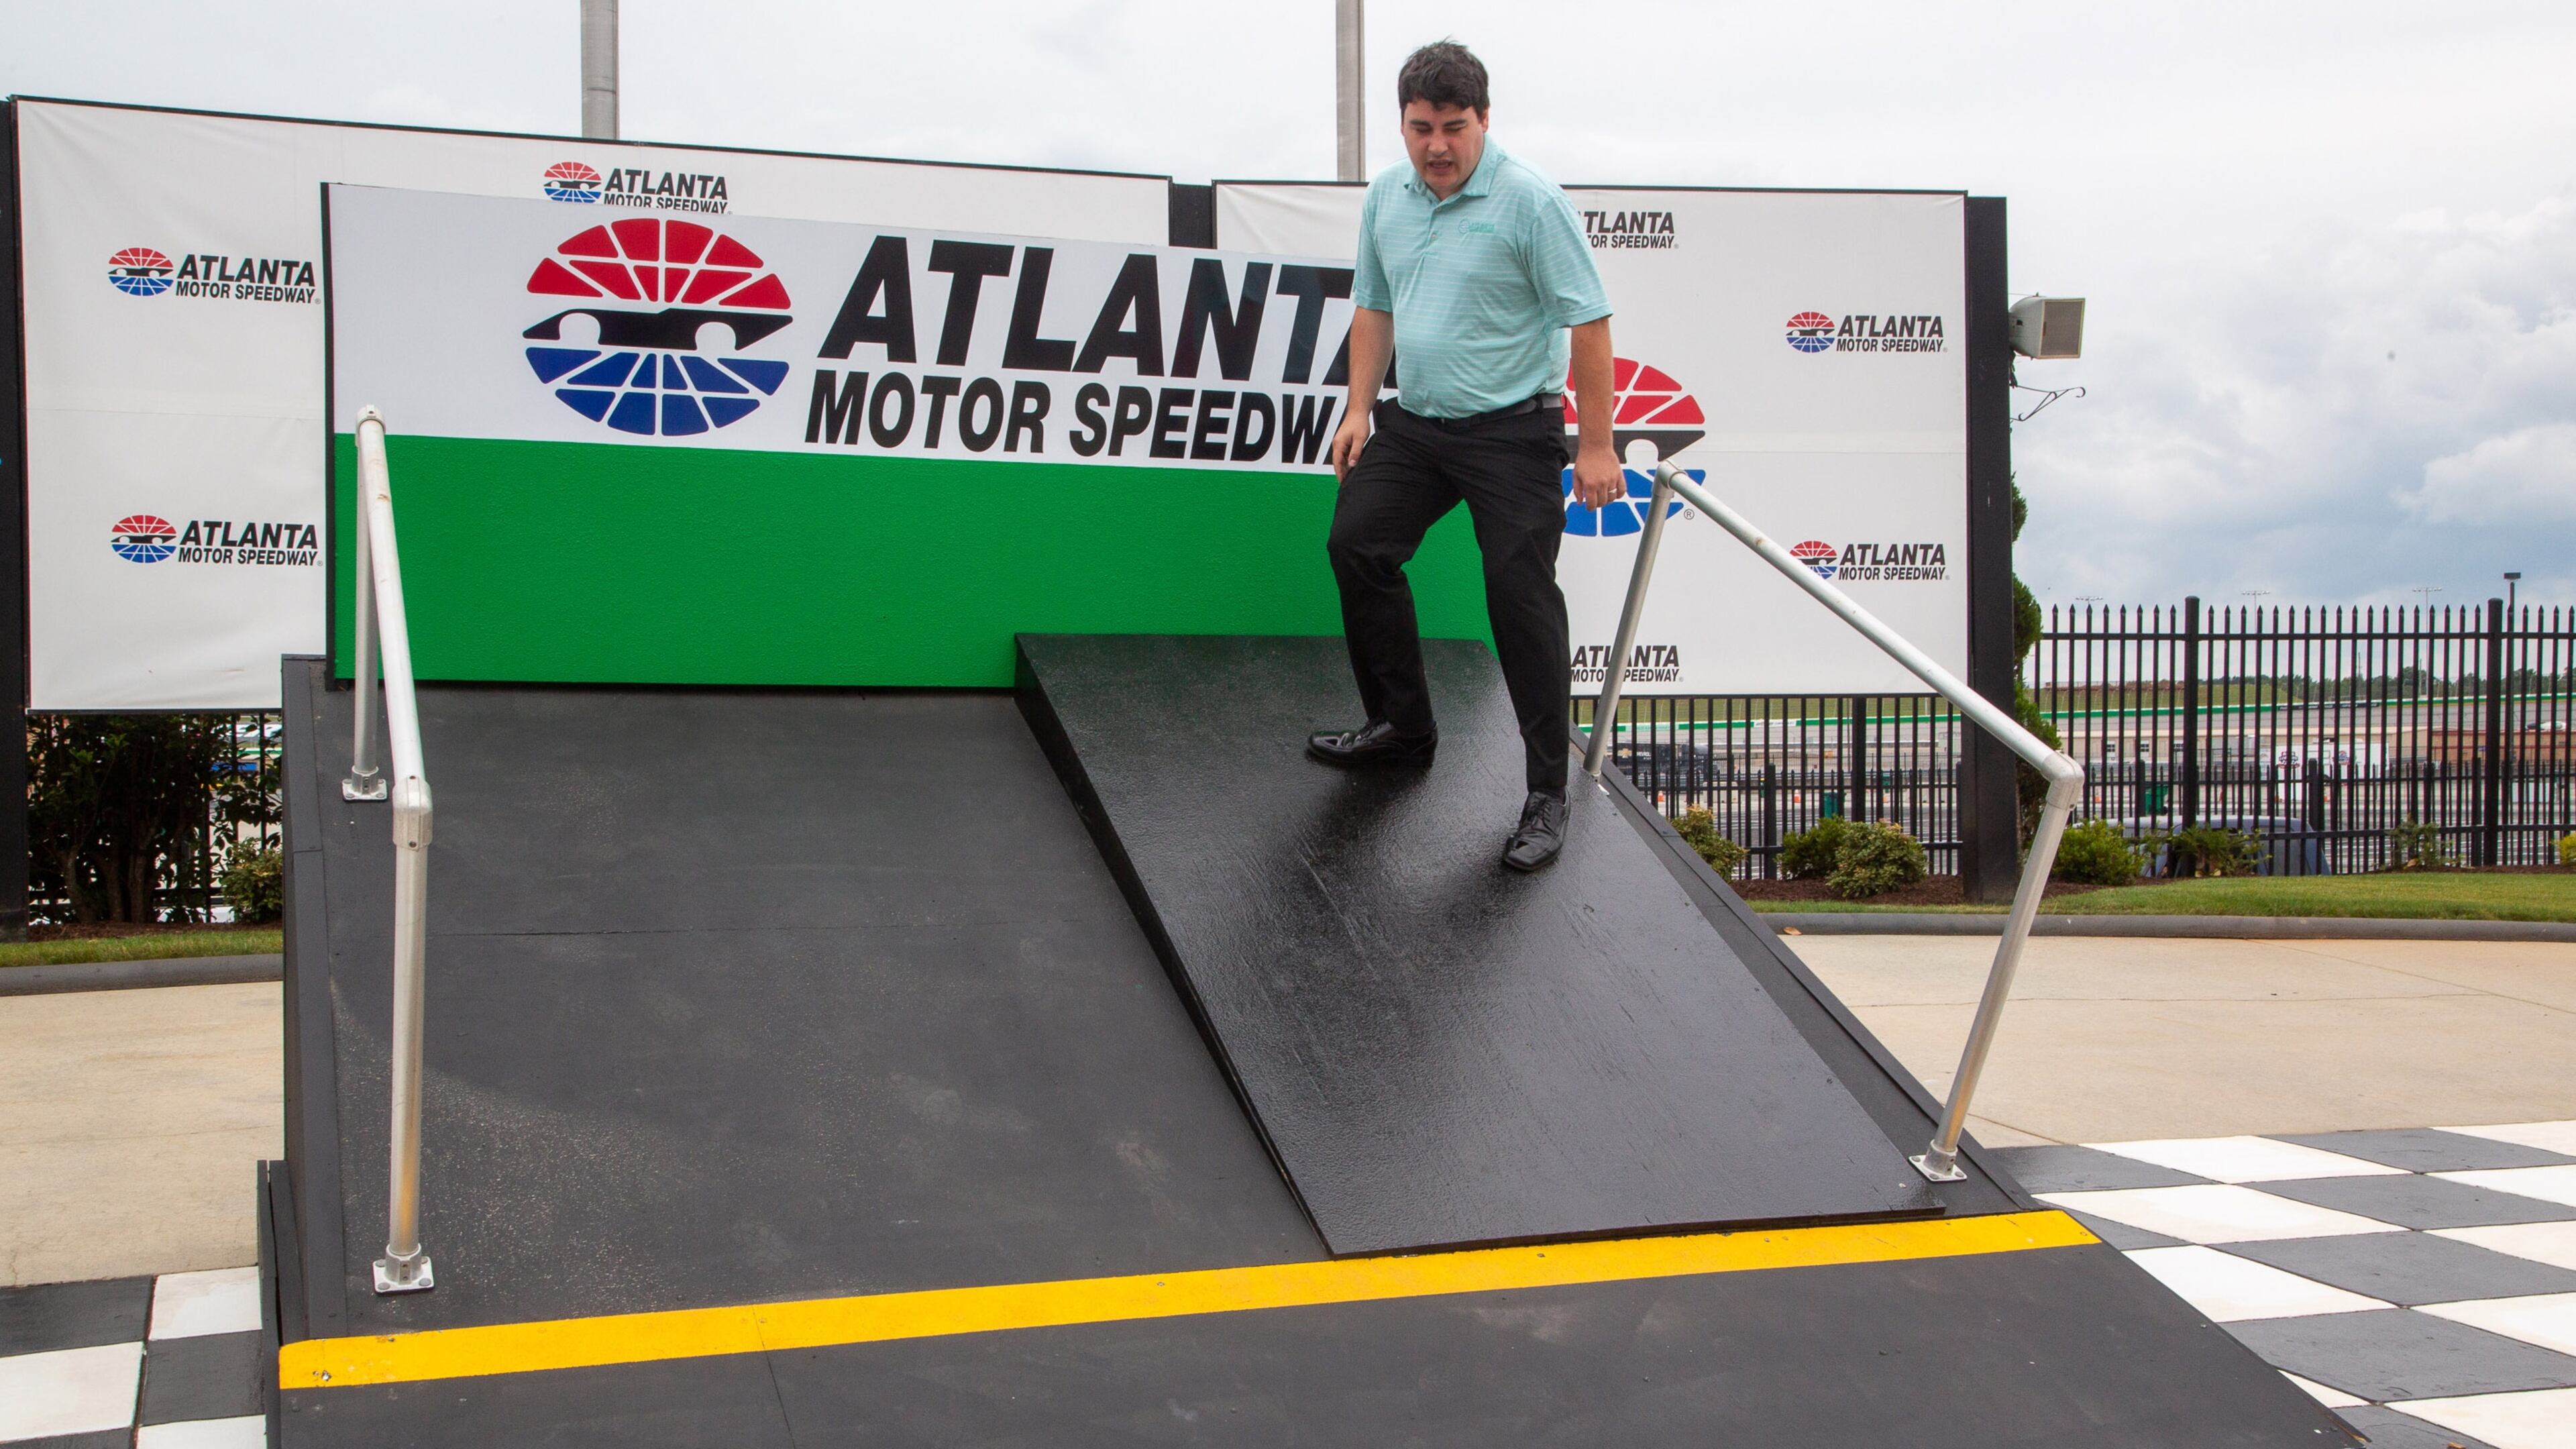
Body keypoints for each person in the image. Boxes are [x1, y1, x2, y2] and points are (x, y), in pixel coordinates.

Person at [1306, 40, 1621, 873]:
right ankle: (1403, 728)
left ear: (1484, 121)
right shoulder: (1388, 197)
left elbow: (1589, 322)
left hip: (1513, 433)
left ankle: (1547, 795)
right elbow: (1373, 307)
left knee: (1518, 594)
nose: (1437, 145)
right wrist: (1358, 409)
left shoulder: (1528, 202)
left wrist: (1595, 443)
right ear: (1402, 126)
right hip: (1419, 424)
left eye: (1453, 127)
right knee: (1357, 545)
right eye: (1420, 128)